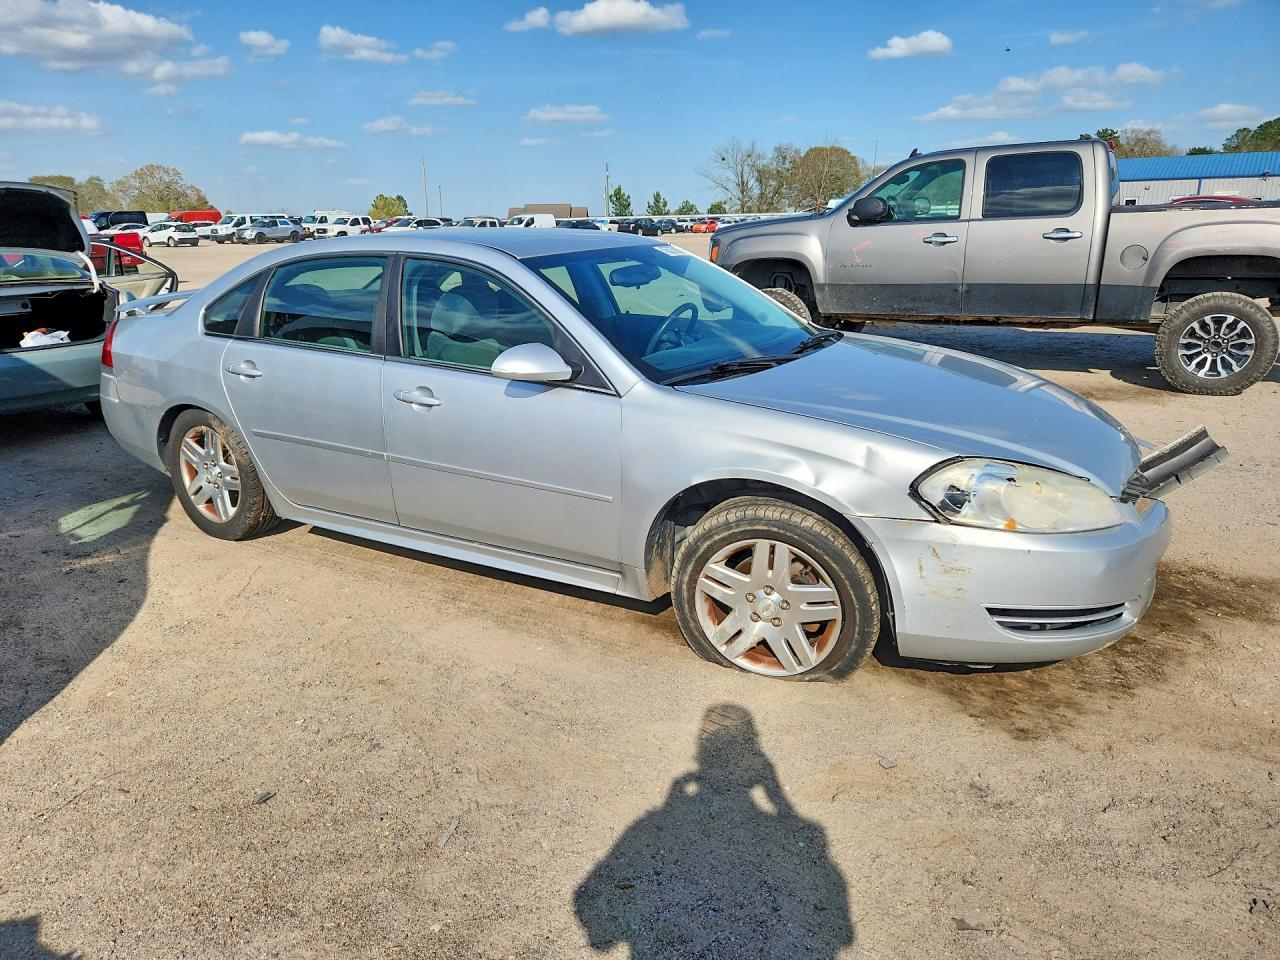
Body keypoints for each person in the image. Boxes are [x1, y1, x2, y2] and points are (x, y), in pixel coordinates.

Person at [574, 704, 855, 959]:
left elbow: (595, 922)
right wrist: (781, 804)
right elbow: (843, 935)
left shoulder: (652, 824)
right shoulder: (812, 837)